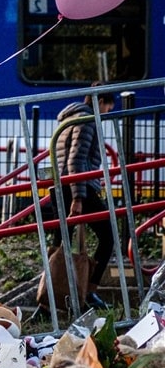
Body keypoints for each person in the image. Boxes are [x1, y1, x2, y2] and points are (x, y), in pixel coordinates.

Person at [51, 82, 115, 310]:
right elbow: (77, 159)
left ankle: (49, 300)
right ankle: (89, 292)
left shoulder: (69, 119)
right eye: (107, 107)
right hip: (80, 187)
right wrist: (78, 198)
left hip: (61, 186)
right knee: (108, 236)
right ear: (100, 101)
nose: (106, 113)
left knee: (60, 243)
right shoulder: (87, 120)